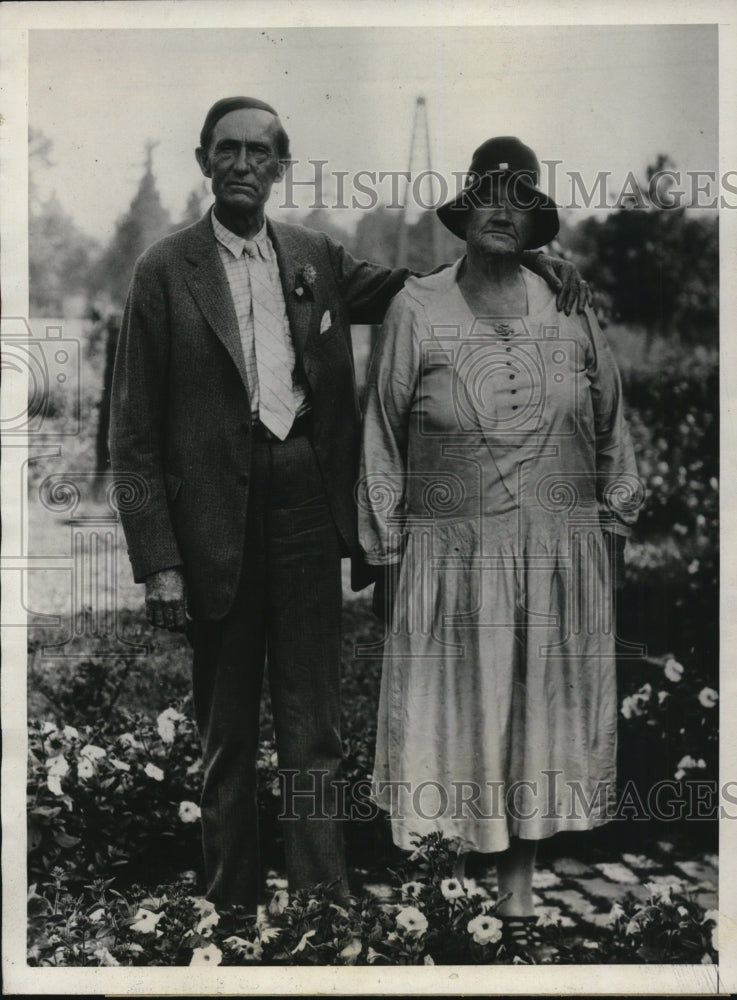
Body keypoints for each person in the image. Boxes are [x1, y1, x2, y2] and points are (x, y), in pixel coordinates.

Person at [109, 100, 589, 915]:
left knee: (313, 726)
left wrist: (535, 261)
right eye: (226, 150)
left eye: (259, 152)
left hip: (303, 507)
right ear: (203, 161)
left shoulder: (312, 257)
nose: (241, 165)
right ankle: (229, 907)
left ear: (279, 166)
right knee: (224, 734)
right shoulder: (163, 271)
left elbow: (427, 287)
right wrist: (158, 562)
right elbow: (132, 437)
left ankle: (320, 905)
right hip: (213, 526)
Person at [359, 136, 641, 958]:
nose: (498, 208)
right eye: (486, 191)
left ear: (534, 222)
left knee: (531, 717)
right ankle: (439, 896)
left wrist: (613, 528)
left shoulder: (569, 308)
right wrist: (383, 549)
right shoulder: (417, 308)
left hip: (555, 556)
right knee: (447, 711)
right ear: (464, 208)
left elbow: (611, 429)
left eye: (517, 197)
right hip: (449, 555)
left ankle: (517, 901)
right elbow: (380, 434)